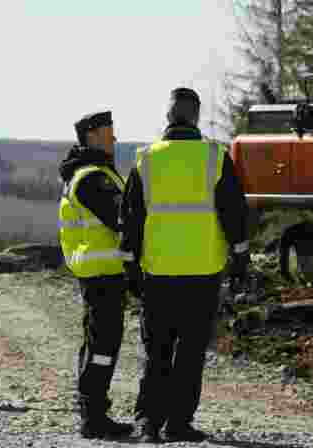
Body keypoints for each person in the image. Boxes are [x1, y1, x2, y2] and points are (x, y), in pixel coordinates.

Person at [120, 87, 251, 443]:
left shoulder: (146, 159)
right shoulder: (215, 156)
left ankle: (148, 423)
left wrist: (130, 265)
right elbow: (234, 212)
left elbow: (130, 218)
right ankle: (178, 423)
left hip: (158, 271)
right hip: (203, 271)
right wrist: (240, 257)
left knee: (157, 350)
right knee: (191, 352)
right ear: (195, 116)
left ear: (168, 117)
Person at [59, 110, 139, 439]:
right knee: (103, 345)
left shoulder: (91, 173)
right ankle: (94, 417)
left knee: (97, 342)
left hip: (100, 272)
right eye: (109, 133)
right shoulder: (93, 177)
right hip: (103, 273)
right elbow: (122, 218)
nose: (115, 139)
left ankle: (91, 410)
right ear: (92, 136)